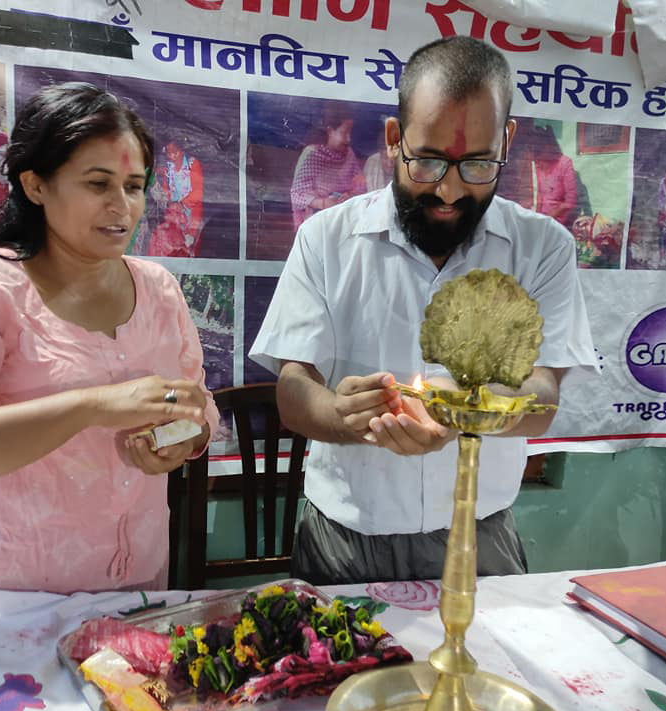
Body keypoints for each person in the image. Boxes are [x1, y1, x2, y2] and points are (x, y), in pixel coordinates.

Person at [250, 36, 598, 585]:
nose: (451, 190)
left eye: (479, 164)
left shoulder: (542, 247)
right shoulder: (326, 238)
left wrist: (459, 412)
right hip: (344, 535)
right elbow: (294, 388)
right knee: (329, 671)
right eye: (430, 160)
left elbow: (542, 398)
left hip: (478, 533)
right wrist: (340, 415)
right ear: (394, 139)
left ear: (506, 142)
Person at [0, 82, 220, 594]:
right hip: (7, 598)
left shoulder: (159, 290)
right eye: (97, 183)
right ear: (36, 185)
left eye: (133, 185)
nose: (122, 206)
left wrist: (177, 441)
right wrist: (90, 405)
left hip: (137, 585)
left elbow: (199, 411)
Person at [289, 105, 366, 229]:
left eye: (350, 133)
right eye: (344, 133)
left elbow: (360, 185)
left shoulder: (349, 153)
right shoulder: (312, 153)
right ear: (330, 131)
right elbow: (297, 194)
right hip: (316, 218)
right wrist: (323, 203)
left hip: (344, 215)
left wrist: (350, 195)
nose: (349, 138)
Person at [148, 139, 205, 257]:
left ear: (182, 150)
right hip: (175, 214)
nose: (172, 156)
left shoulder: (192, 164)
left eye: (175, 152)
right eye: (169, 153)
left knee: (188, 247)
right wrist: (165, 198)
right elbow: (166, 189)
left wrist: (181, 204)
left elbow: (198, 194)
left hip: (192, 214)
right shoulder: (169, 168)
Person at [531, 123, 577, 229]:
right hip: (537, 219)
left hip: (557, 223)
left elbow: (570, 202)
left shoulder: (564, 163)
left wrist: (547, 218)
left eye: (542, 151)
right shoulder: (535, 164)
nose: (539, 159)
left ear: (549, 146)